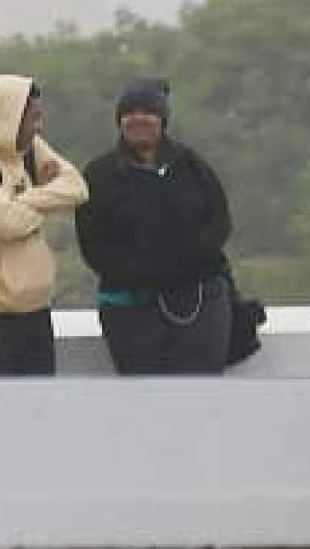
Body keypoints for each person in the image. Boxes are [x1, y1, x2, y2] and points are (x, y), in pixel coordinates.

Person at [76, 80, 234, 376]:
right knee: (145, 394)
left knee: (200, 390)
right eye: (129, 112)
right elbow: (92, 244)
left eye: (148, 111)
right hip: (129, 309)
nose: (138, 118)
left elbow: (219, 221)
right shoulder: (100, 174)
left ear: (162, 119)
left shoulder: (191, 166)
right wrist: (141, 272)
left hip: (198, 303)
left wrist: (185, 263)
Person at [0, 74, 88, 378]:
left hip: (36, 314)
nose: (39, 127)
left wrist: (23, 200)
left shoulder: (30, 149)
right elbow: (5, 223)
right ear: (7, 117)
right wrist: (48, 200)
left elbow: (78, 188)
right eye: (32, 118)